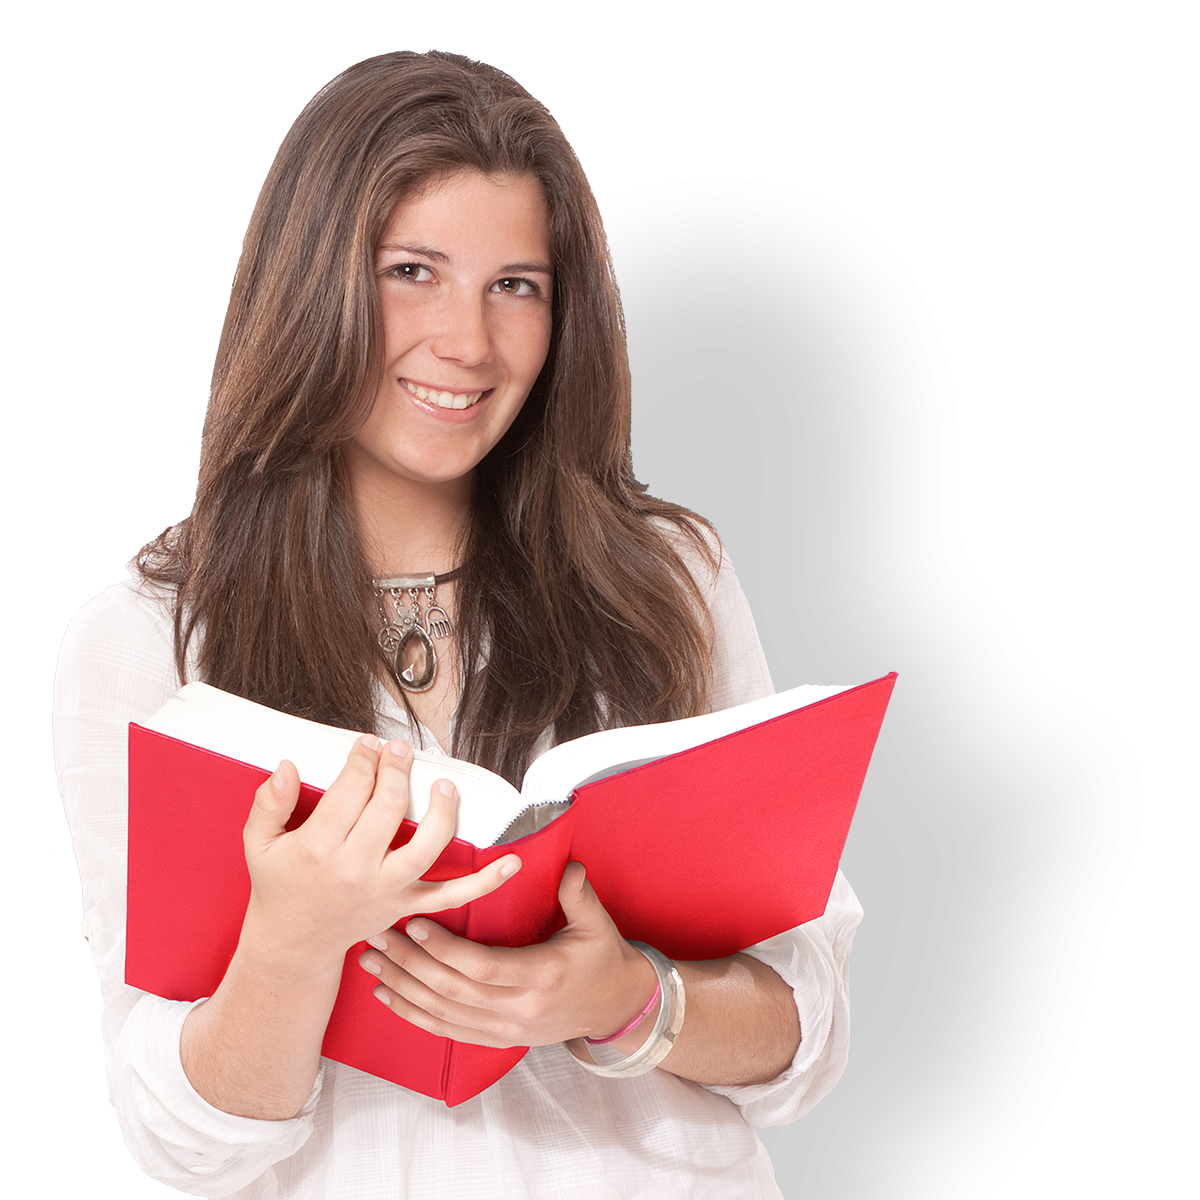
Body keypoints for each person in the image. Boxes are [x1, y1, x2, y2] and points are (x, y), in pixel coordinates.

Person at [52, 49, 863, 1199]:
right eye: (413, 271)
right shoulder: (150, 639)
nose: (468, 344)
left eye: (516, 285)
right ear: (312, 283)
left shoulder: (669, 577)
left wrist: (627, 1000)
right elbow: (189, 1142)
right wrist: (288, 944)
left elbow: (803, 1038)